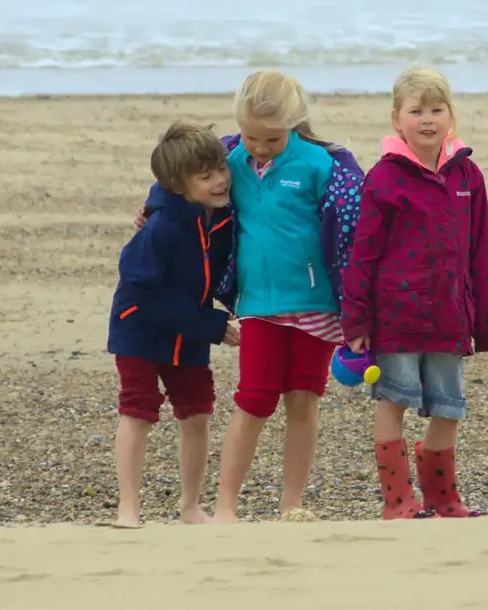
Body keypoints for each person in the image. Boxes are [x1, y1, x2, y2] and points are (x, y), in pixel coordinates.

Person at [138, 71, 365, 522]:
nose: (258, 148)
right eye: (251, 137)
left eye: (271, 139)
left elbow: (357, 227)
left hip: (317, 303)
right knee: (254, 398)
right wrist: (155, 205)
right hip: (257, 303)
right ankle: (225, 507)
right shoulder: (230, 157)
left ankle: (292, 504)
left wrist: (360, 311)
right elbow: (179, 173)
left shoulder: (323, 165)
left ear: (294, 125)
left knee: (304, 398)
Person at [342, 66, 488, 519]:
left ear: (450, 116)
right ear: (397, 119)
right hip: (395, 316)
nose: (428, 119)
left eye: (437, 109)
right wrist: (356, 320)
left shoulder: (467, 176)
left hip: (450, 315)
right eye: (416, 110)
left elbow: (482, 251)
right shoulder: (383, 178)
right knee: (394, 398)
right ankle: (398, 501)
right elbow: (362, 255)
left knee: (450, 406)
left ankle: (443, 498)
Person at [106, 121, 241, 527]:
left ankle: (190, 506)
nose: (220, 180)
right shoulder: (160, 227)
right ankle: (128, 507)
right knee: (138, 411)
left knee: (197, 412)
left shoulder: (220, 218)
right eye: (206, 176)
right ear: (179, 185)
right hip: (139, 329)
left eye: (221, 169)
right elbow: (144, 289)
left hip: (190, 334)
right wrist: (212, 325)